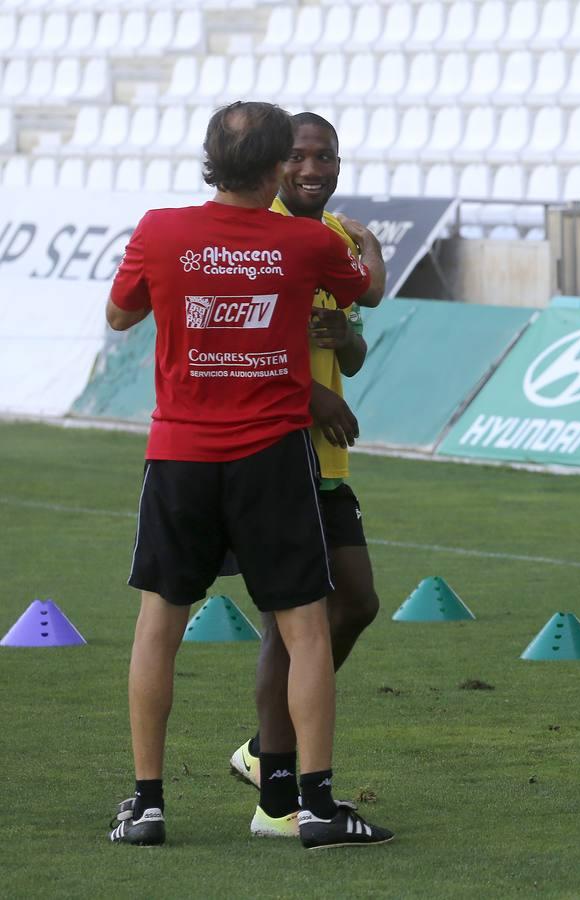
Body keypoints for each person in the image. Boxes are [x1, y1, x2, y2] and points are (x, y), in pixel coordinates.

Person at [105, 101, 392, 849]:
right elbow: (360, 287)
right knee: (304, 633)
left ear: (209, 159)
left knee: (158, 626)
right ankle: (318, 809)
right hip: (271, 458)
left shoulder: (159, 231)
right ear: (274, 169)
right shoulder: (302, 243)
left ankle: (148, 804)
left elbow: (119, 316)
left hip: (180, 457)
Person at [226, 112, 388, 840]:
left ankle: (267, 749)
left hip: (327, 462)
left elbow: (352, 349)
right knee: (285, 626)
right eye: (297, 156)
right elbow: (238, 349)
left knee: (355, 602)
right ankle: (278, 790)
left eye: (325, 155)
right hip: (275, 454)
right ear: (274, 165)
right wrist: (310, 394)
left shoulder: (334, 241)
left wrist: (345, 340)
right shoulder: (261, 237)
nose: (313, 168)